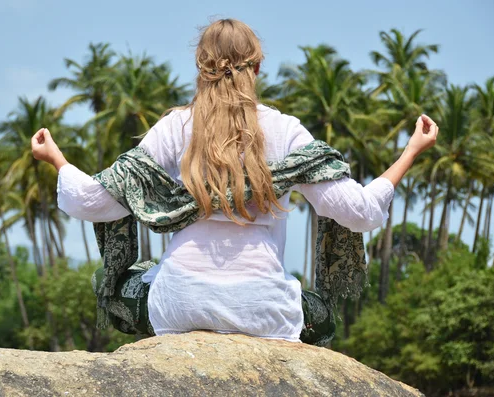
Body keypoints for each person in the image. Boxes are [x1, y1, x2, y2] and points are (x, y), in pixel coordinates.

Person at [31, 19, 438, 344]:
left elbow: (91, 201)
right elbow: (361, 212)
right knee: (323, 318)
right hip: (262, 309)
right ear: (257, 67)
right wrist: (411, 152)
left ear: (200, 69)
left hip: (179, 304)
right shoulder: (285, 130)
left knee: (113, 284)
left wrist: (56, 159)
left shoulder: (177, 126)